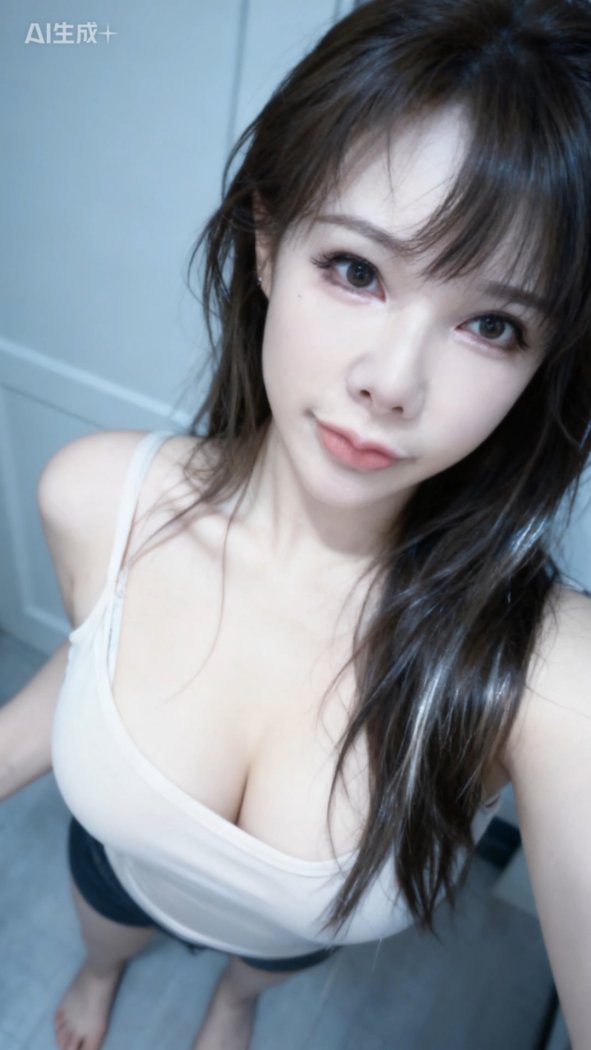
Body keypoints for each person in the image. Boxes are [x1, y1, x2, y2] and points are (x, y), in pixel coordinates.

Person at [2, 0, 591, 1047]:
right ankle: (100, 974)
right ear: (268, 244)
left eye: (492, 325)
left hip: (283, 941)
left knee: (257, 973)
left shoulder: (538, 668)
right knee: (107, 934)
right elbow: (98, 657)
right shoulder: (94, 497)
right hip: (117, 876)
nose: (391, 381)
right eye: (357, 270)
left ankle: (233, 1004)